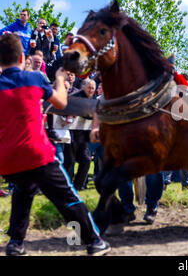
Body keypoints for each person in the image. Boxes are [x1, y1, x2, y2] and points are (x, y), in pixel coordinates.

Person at [0, 34, 110, 256]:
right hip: (37, 154)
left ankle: (15, 243)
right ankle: (94, 241)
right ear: (22, 57)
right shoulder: (34, 78)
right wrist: (60, 79)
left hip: (7, 160)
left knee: (24, 191)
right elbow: (61, 101)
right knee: (68, 198)